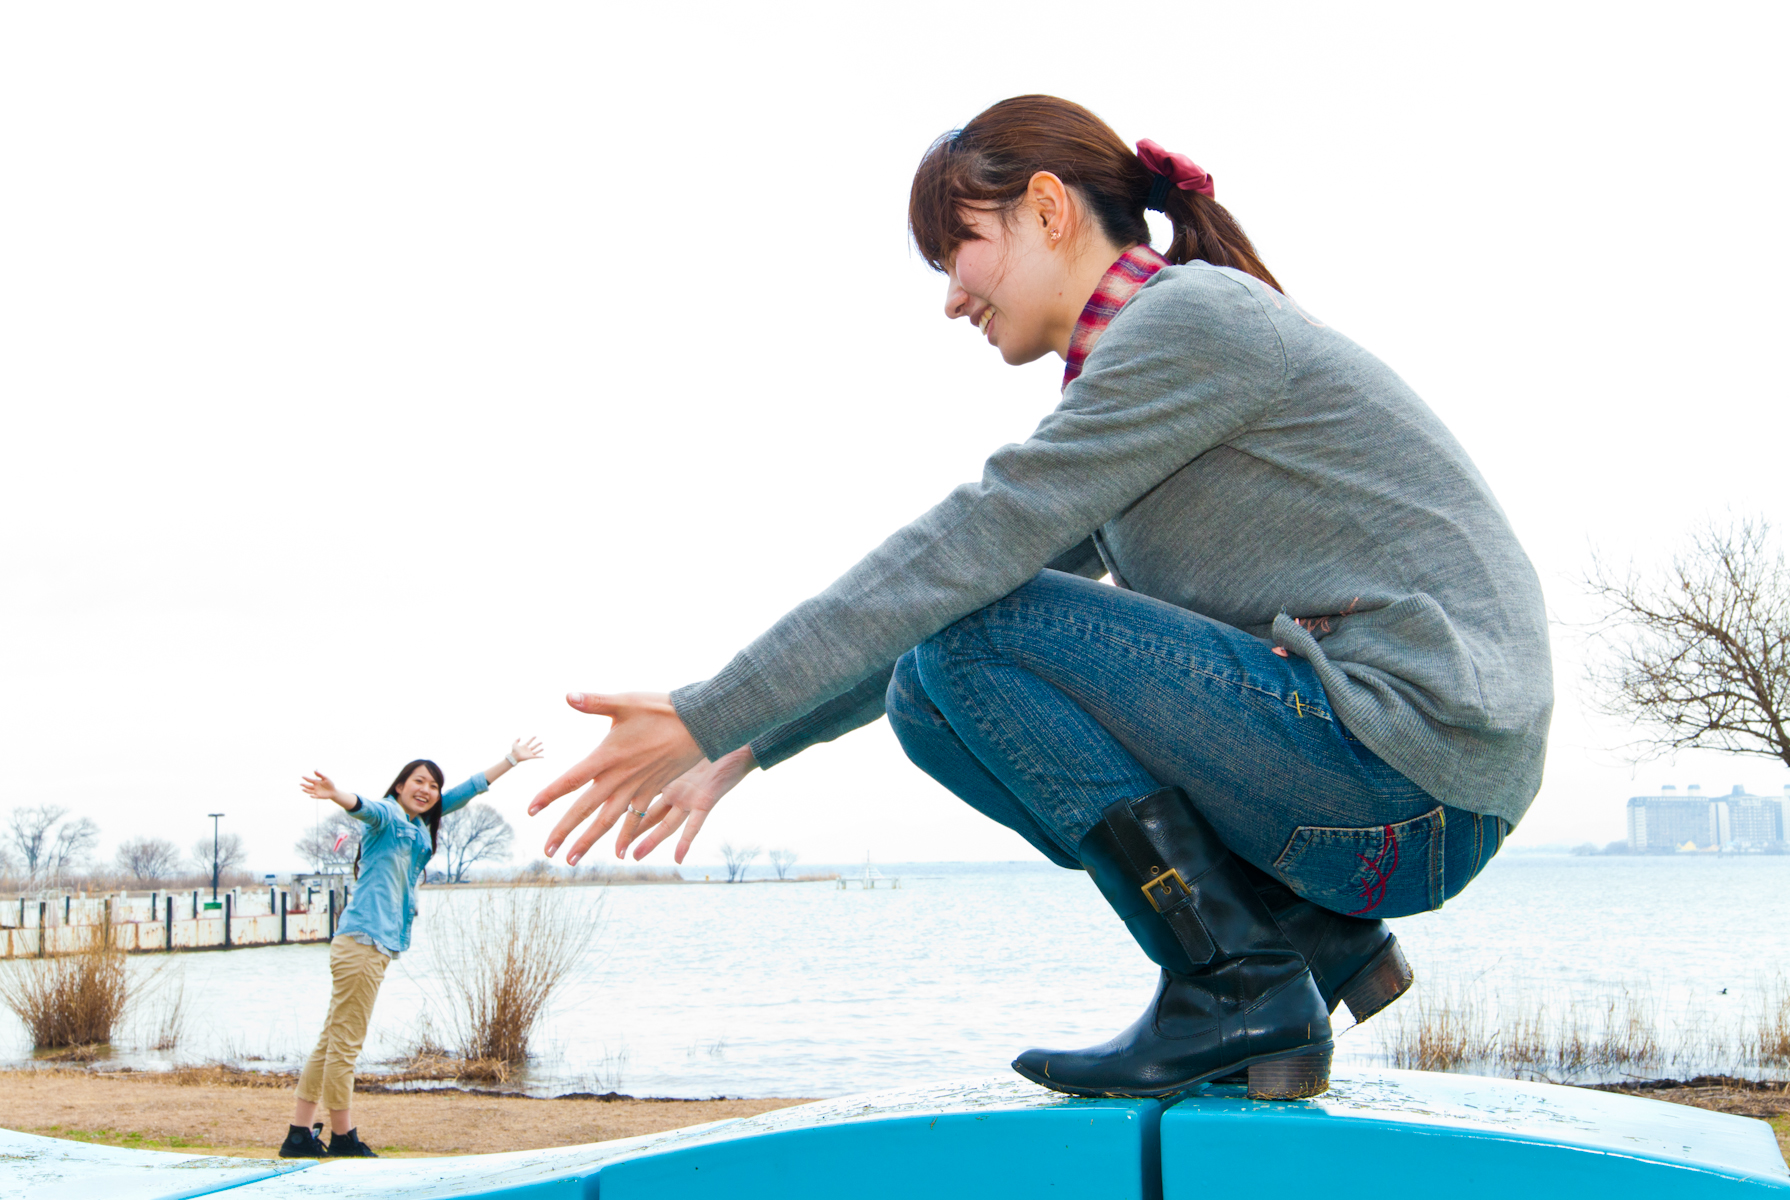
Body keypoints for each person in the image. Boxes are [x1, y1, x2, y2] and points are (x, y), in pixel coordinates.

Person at [529, 95, 1552, 1102]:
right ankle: (1298, 938)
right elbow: (952, 599)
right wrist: (744, 747)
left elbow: (964, 554)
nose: (949, 297)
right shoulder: (1140, 380)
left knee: (966, 644)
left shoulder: (1190, 322)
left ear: (1048, 210)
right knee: (928, 696)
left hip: (1403, 770)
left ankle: (1237, 980)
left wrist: (709, 707)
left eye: (958, 249)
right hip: (1396, 790)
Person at [278, 738, 543, 1158]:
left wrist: (511, 760)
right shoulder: (387, 816)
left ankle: (298, 1133)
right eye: (418, 781)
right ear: (400, 786)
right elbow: (364, 805)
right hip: (364, 942)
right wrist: (337, 795)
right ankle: (344, 1138)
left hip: (368, 943)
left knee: (332, 1039)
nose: (428, 789)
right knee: (345, 1043)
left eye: (434, 785)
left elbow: (464, 792)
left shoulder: (419, 825)